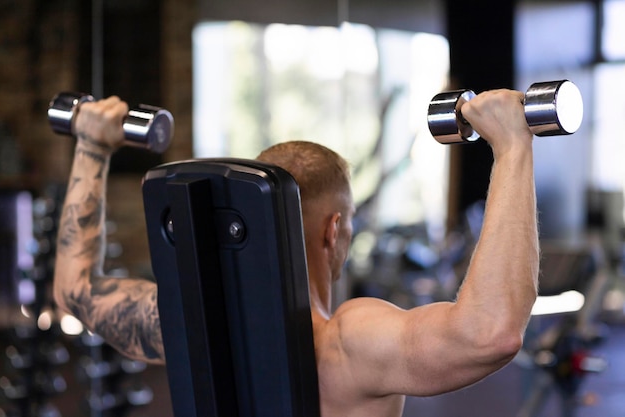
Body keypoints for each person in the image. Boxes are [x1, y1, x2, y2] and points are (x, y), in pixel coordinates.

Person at [53, 89, 539, 417]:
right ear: (335, 230)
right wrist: (513, 146)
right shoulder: (346, 343)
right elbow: (489, 335)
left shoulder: (188, 324)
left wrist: (92, 148)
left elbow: (76, 290)